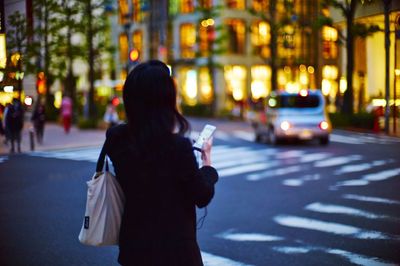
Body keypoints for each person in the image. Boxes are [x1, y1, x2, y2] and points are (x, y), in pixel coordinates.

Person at [96, 60, 219, 266]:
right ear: (166, 101)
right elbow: (201, 195)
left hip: (133, 249)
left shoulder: (116, 138)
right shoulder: (178, 147)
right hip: (176, 253)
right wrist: (207, 163)